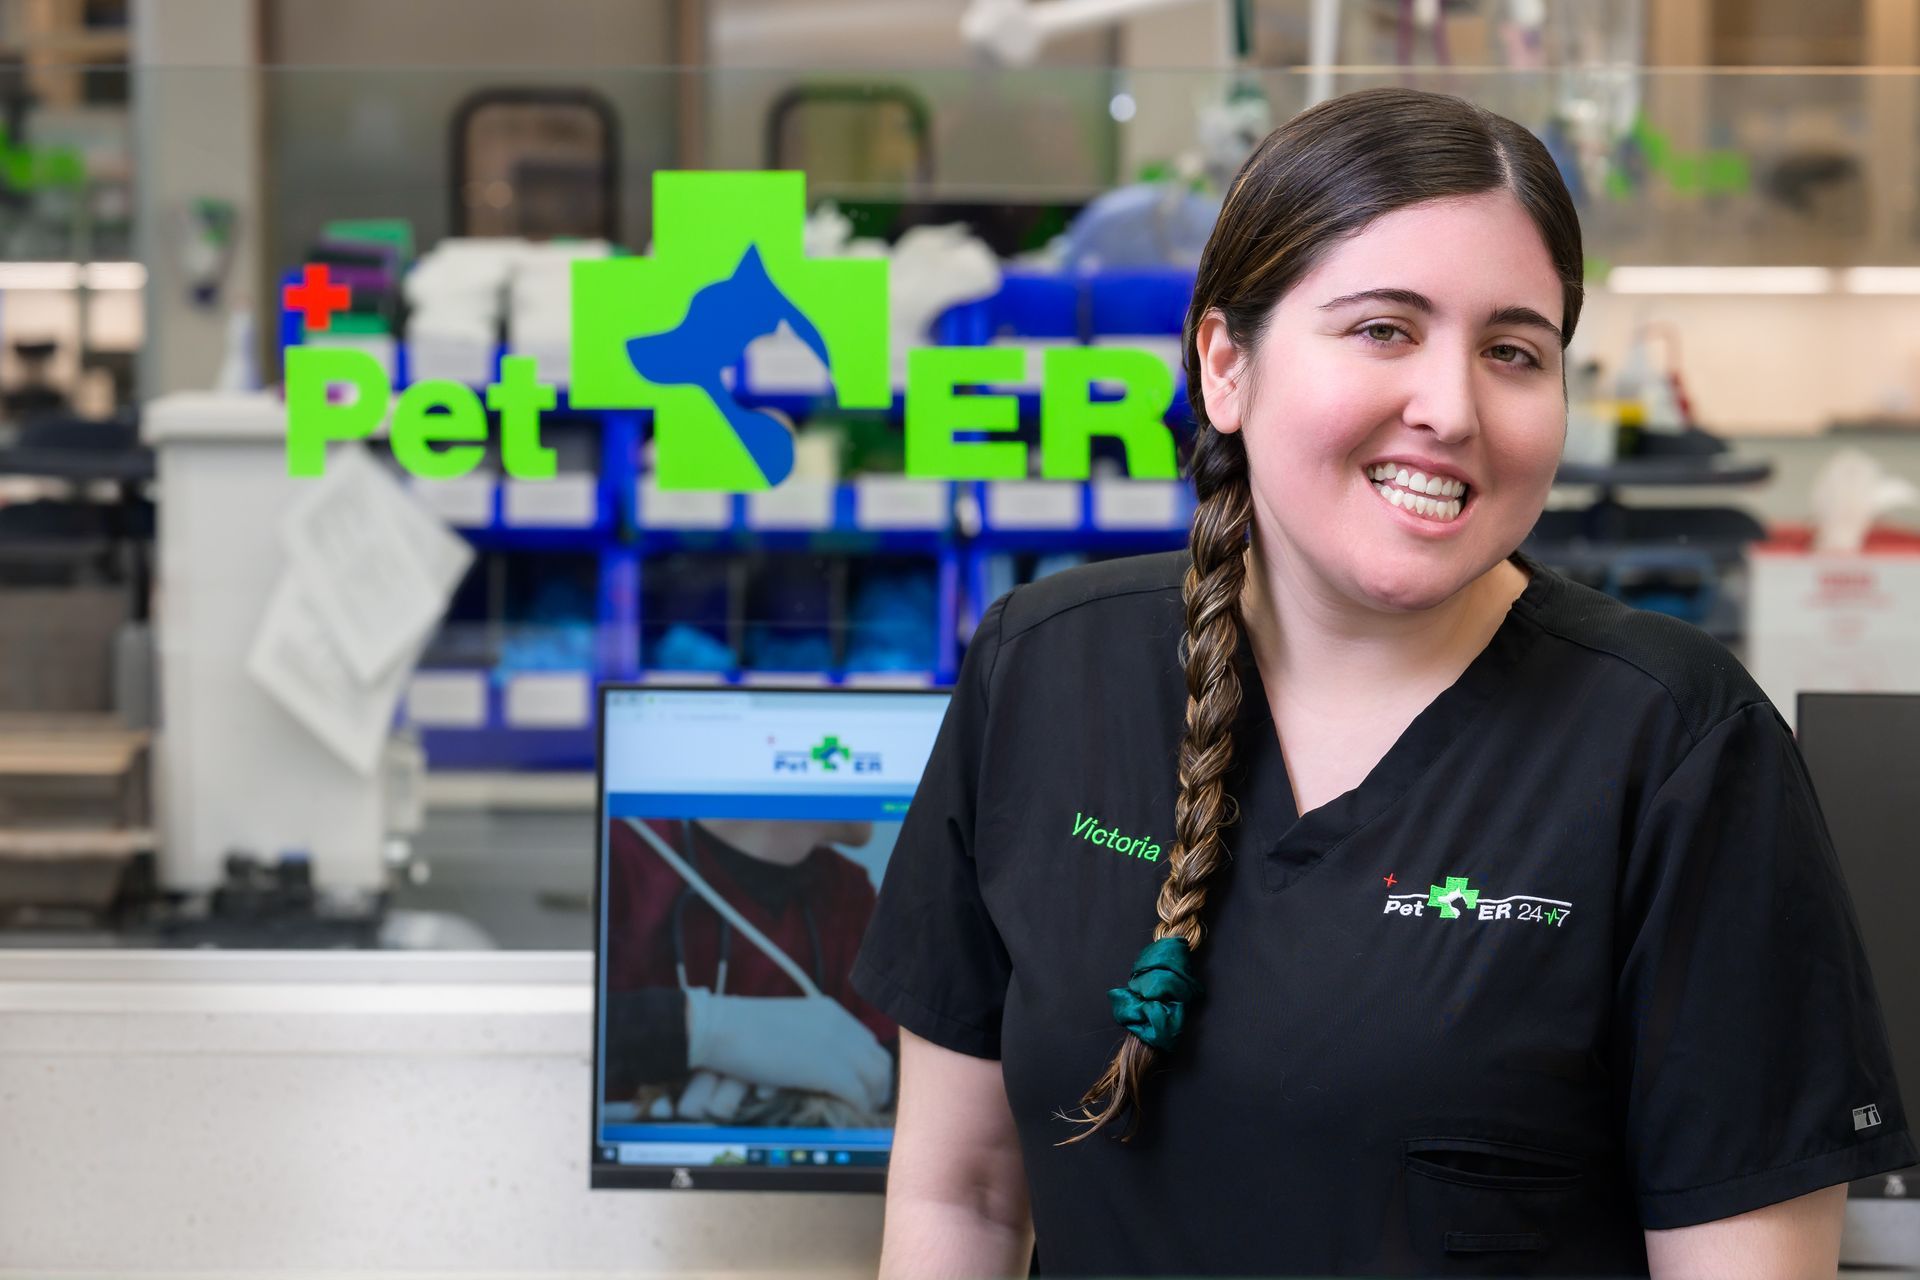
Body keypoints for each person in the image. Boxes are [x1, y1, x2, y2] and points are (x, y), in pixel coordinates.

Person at [848, 86, 1916, 1278]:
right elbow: (965, 1196)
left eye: (1515, 351)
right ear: (1224, 365)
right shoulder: (1043, 671)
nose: (1452, 410)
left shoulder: (1675, 746)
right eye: (1383, 330)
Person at [603, 815, 895, 1121]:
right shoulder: (623, 850)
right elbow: (575, 1033)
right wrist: (701, 1027)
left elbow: (899, 1062)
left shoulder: (846, 892)